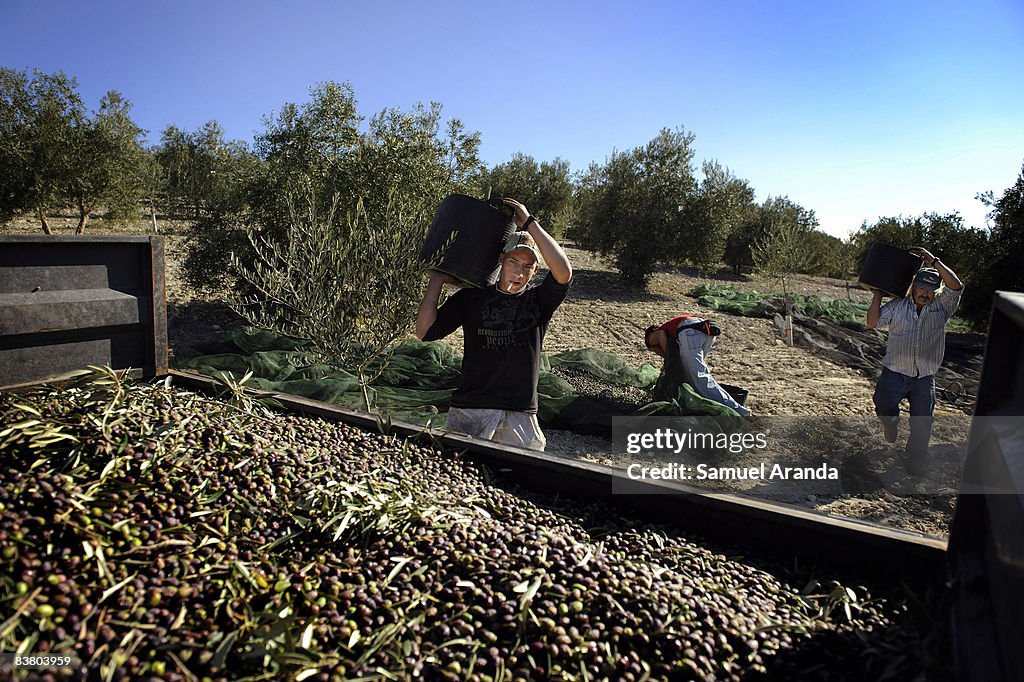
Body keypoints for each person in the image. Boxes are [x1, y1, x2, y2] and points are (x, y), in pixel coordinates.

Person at [415, 197, 572, 450]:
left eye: (527, 267)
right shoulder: (472, 298)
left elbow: (564, 272)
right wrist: (437, 279)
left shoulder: (539, 301)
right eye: (513, 262)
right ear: (501, 260)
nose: (519, 273)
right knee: (458, 476)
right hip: (470, 410)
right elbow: (424, 331)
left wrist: (529, 223)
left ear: (535, 271)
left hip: (520, 414)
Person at [866, 246, 963, 474]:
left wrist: (933, 261)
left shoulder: (943, 308)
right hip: (894, 373)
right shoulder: (898, 307)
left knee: (922, 424)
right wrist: (877, 295)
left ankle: (914, 462)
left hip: (924, 378)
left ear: (936, 292)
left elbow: (956, 286)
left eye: (931, 290)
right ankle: (891, 425)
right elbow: (872, 323)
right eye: (922, 288)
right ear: (914, 287)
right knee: (884, 407)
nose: (925, 294)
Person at [644, 315, 751, 416]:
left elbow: (665, 346)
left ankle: (739, 411)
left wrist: (668, 362)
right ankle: (721, 406)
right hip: (705, 330)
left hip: (690, 332)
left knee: (700, 380)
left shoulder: (652, 337)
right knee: (694, 377)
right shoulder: (671, 329)